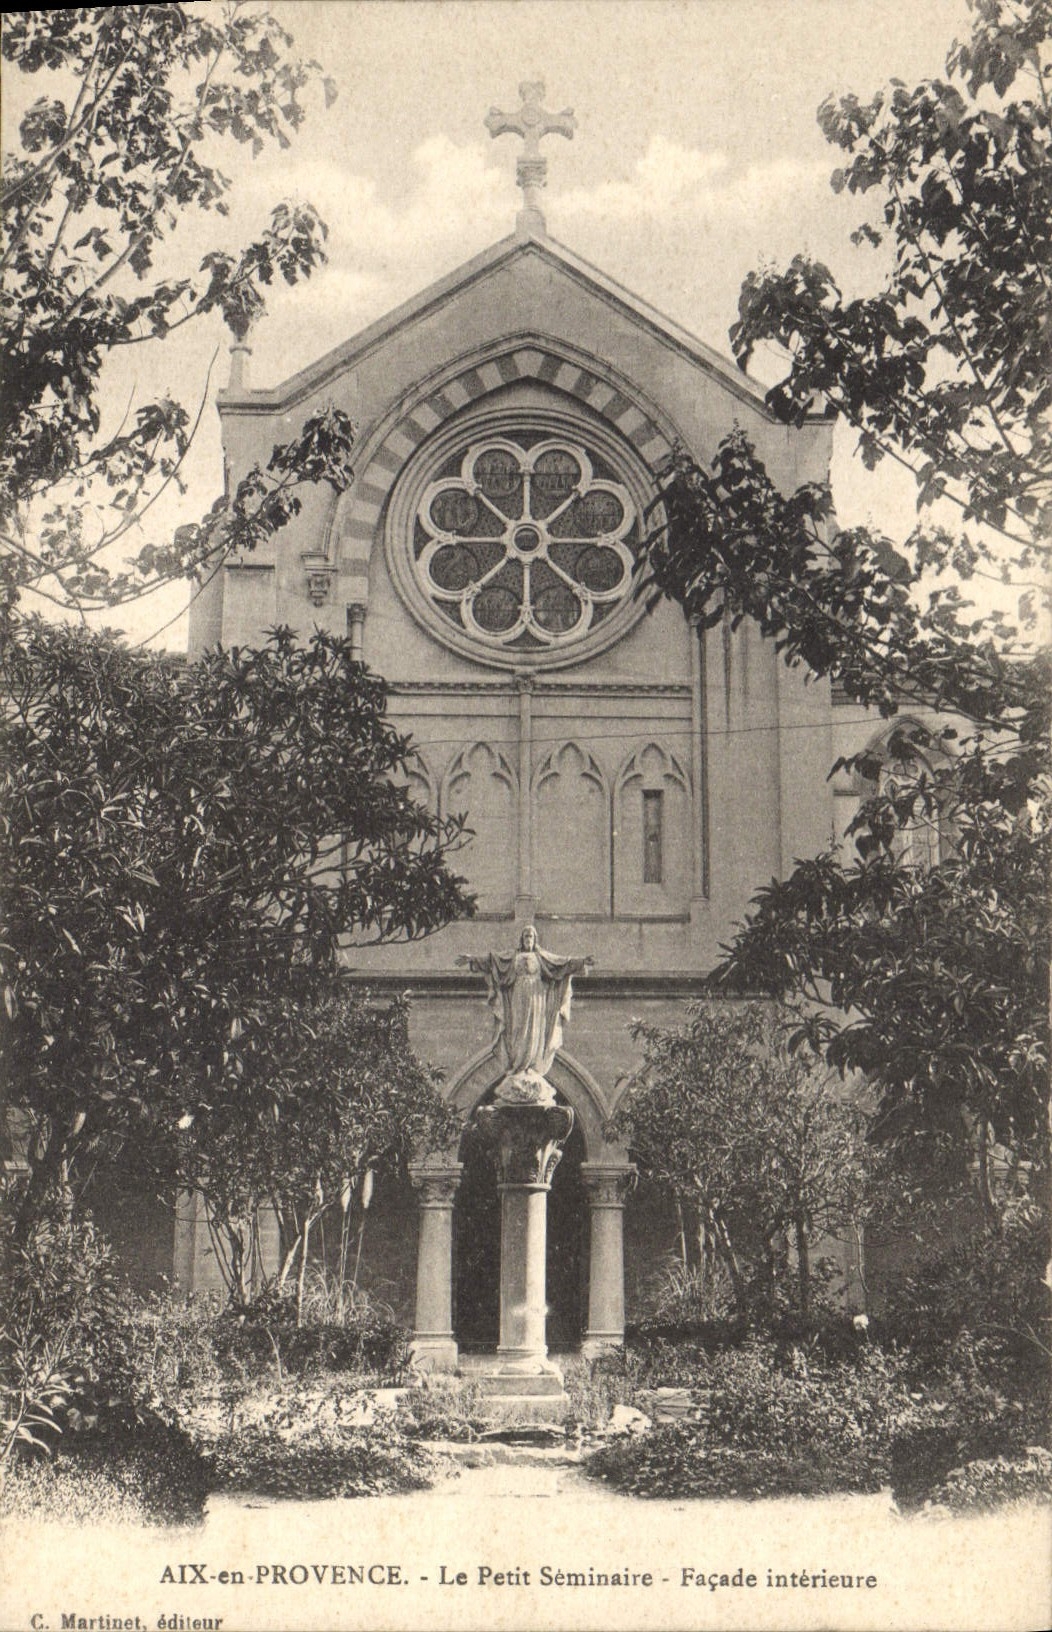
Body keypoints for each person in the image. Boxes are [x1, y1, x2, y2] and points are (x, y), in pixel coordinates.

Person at [457, 925, 593, 1104]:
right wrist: (472, 960)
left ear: (535, 939)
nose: (528, 939)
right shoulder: (513, 958)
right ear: (522, 939)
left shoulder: (541, 958)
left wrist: (582, 961)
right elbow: (493, 961)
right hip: (518, 998)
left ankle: (530, 1067)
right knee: (517, 1031)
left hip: (537, 998)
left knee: (535, 1032)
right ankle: (518, 1066)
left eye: (531, 936)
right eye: (526, 936)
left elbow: (562, 963)